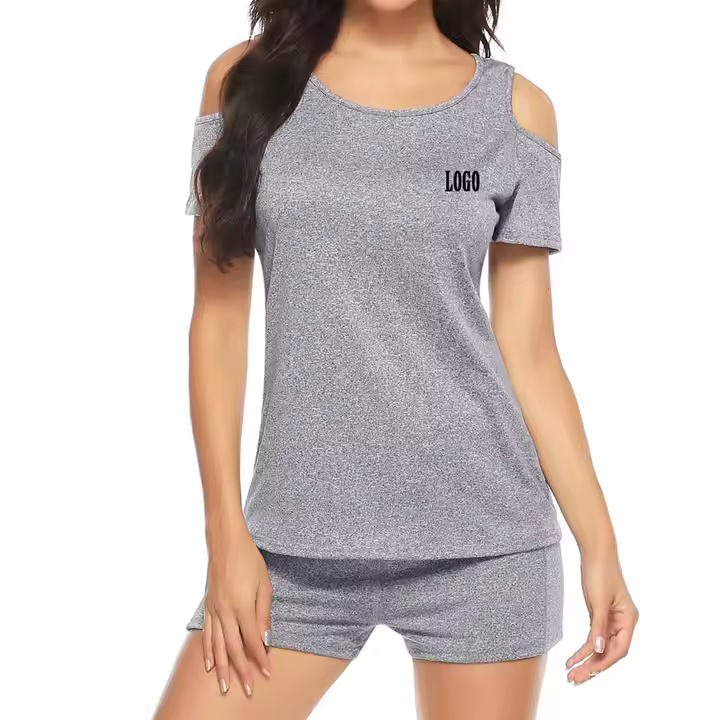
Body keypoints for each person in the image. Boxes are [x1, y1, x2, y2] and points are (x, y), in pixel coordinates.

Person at [155, 1, 638, 718]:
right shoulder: (244, 83)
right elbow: (219, 324)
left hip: (484, 549)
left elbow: (531, 353)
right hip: (289, 552)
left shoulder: (515, 114)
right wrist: (224, 534)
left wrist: (599, 543)